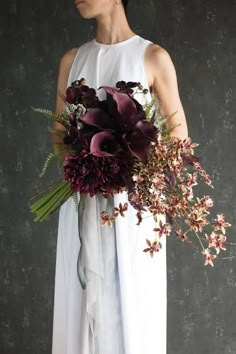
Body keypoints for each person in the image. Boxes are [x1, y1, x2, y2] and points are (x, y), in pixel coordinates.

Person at [51, 1, 188, 354]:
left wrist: (126, 168)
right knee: (81, 313)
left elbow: (178, 139)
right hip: (83, 204)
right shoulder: (72, 61)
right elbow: (59, 137)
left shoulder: (153, 57)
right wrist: (88, 166)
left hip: (132, 214)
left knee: (132, 312)